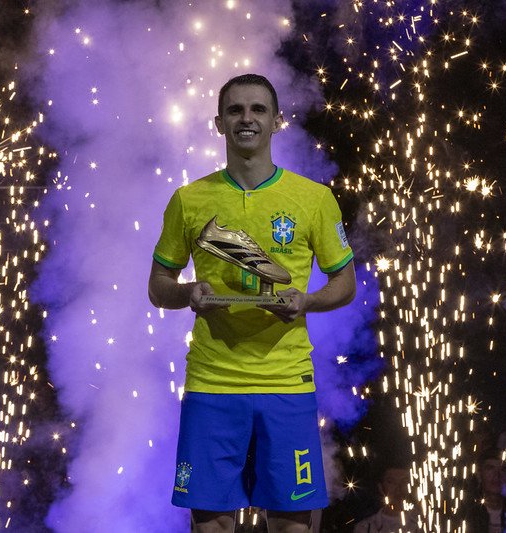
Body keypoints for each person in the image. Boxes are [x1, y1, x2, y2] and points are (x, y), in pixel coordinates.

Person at [148, 73, 356, 533]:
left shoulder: (314, 199)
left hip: (286, 382)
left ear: (277, 121)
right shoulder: (188, 200)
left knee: (292, 526)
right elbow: (159, 285)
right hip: (212, 381)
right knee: (211, 526)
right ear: (219, 123)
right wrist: (188, 293)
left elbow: (345, 283)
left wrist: (306, 301)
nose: (247, 118)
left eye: (258, 109)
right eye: (235, 110)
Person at [353, 466, 421, 533]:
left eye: (404, 482)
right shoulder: (365, 527)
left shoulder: (421, 521)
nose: (398, 489)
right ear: (380, 487)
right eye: (391, 482)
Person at [464, 448, 506, 533]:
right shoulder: (468, 513)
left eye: (503, 469)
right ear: (479, 475)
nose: (497, 475)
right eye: (490, 468)